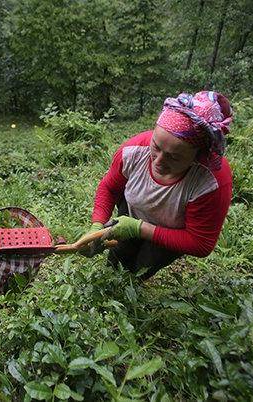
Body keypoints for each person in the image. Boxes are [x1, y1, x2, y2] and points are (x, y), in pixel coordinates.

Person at [80, 91, 233, 280]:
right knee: (118, 257)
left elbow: (201, 243)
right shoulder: (133, 151)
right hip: (132, 211)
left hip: (172, 232)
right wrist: (97, 224)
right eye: (156, 147)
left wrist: (139, 228)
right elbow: (110, 187)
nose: (158, 161)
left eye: (174, 157)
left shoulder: (210, 182)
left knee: (143, 267)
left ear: (198, 156)